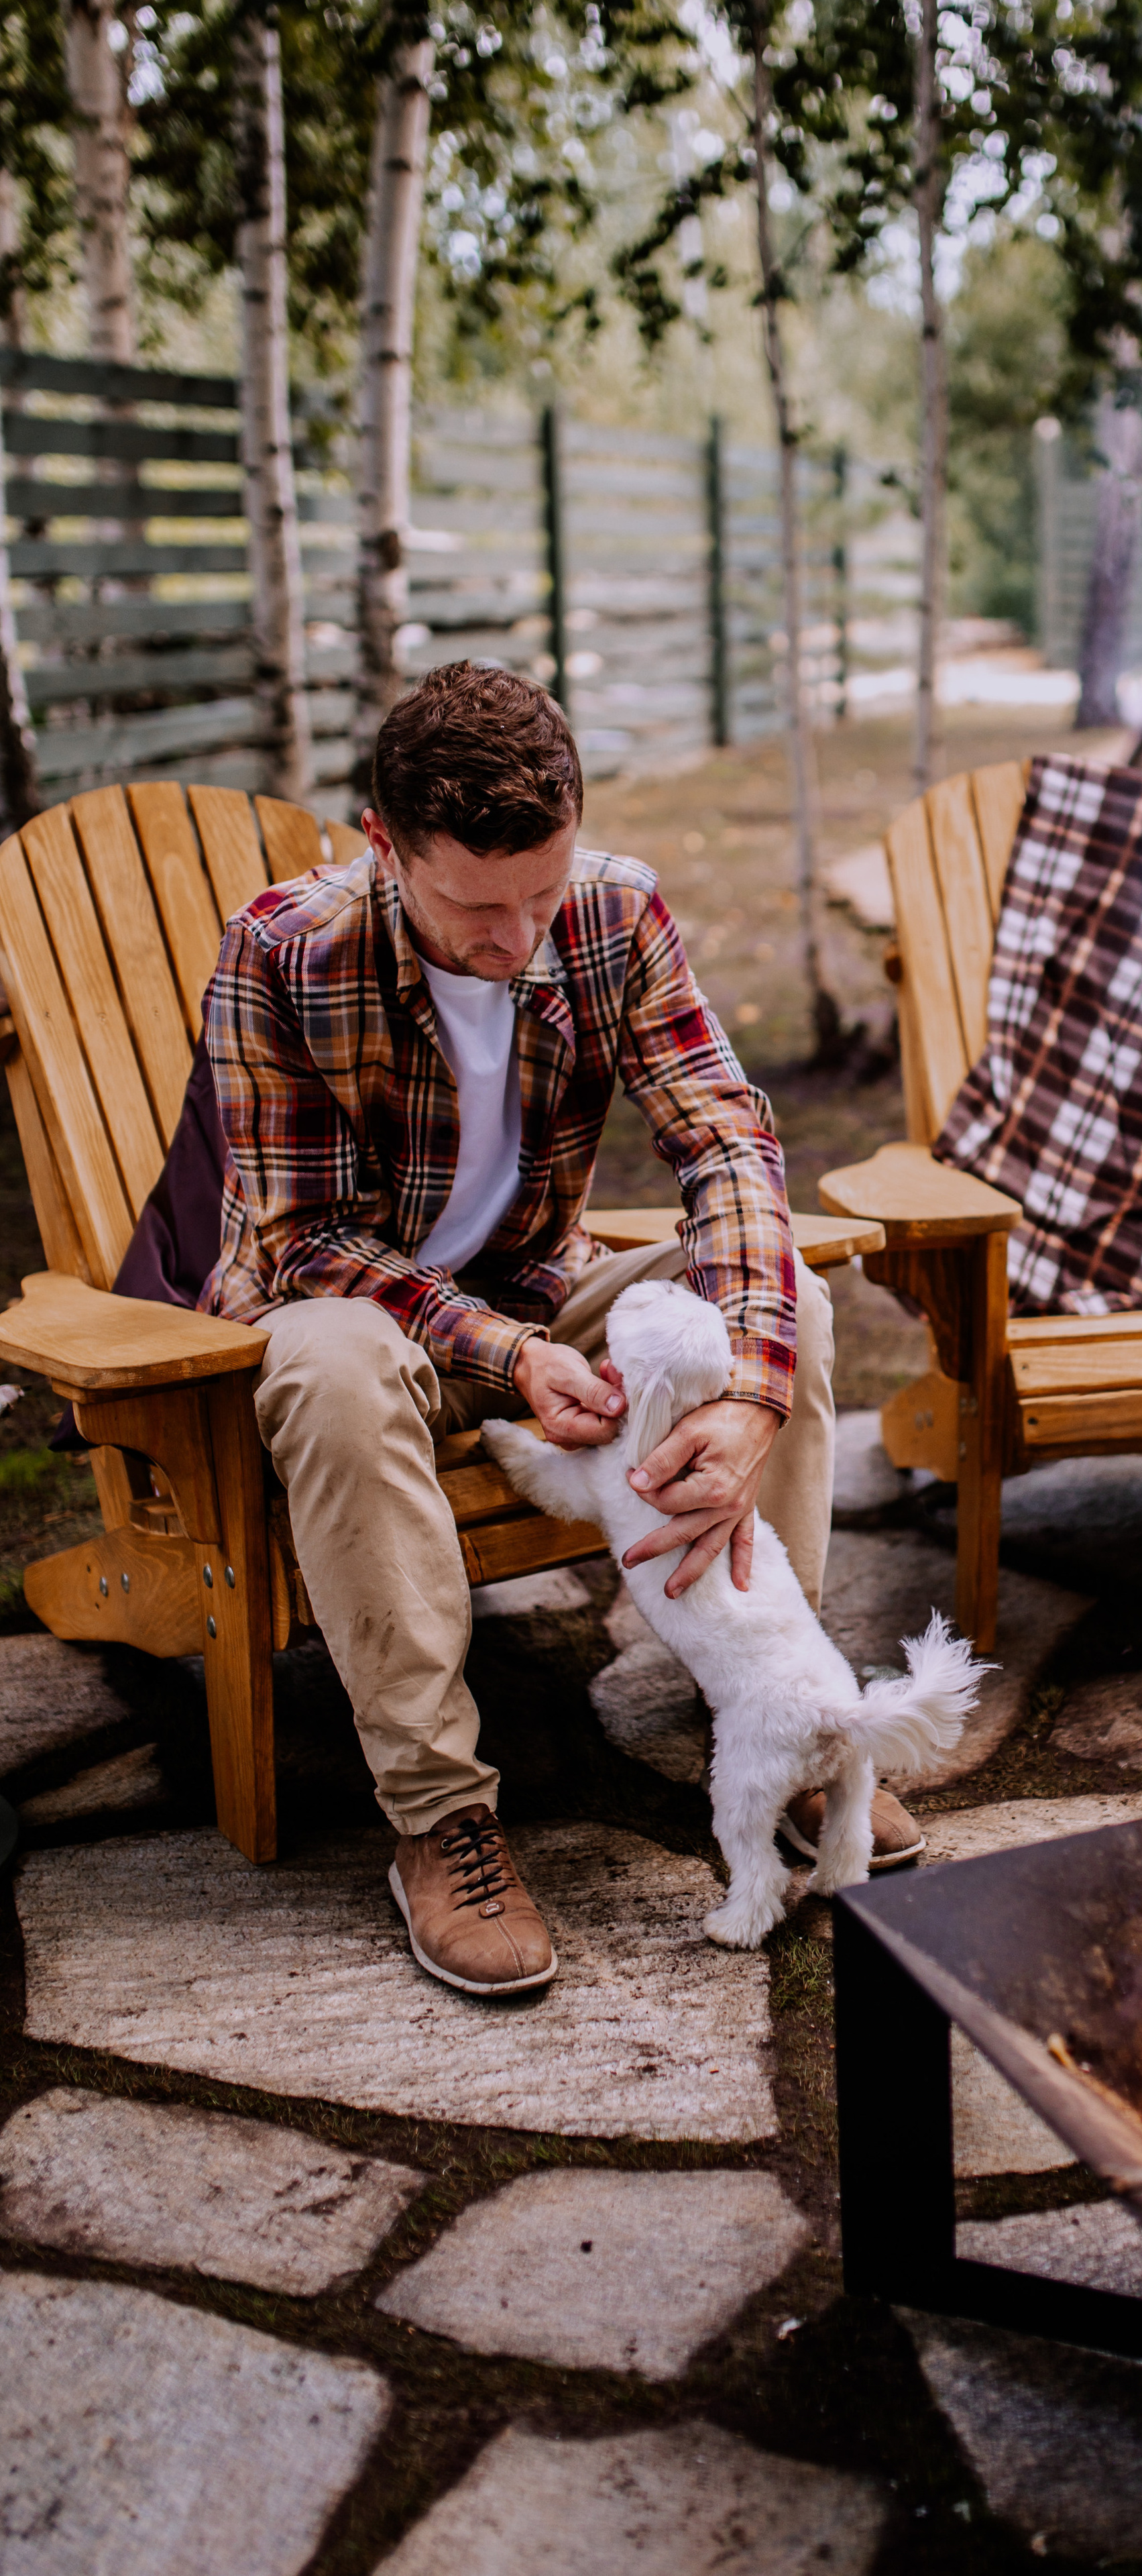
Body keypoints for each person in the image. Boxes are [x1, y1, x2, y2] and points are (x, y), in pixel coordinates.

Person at [201, 660, 923, 1996]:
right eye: (475, 906)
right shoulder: (280, 951)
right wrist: (505, 1356)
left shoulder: (611, 913)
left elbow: (724, 1145)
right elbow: (302, 1237)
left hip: (546, 1287)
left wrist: (748, 1391)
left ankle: (792, 1714)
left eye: (539, 890)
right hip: (354, 1317)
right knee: (339, 1369)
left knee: (789, 1306)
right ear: (382, 845)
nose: (514, 935)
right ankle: (439, 1817)